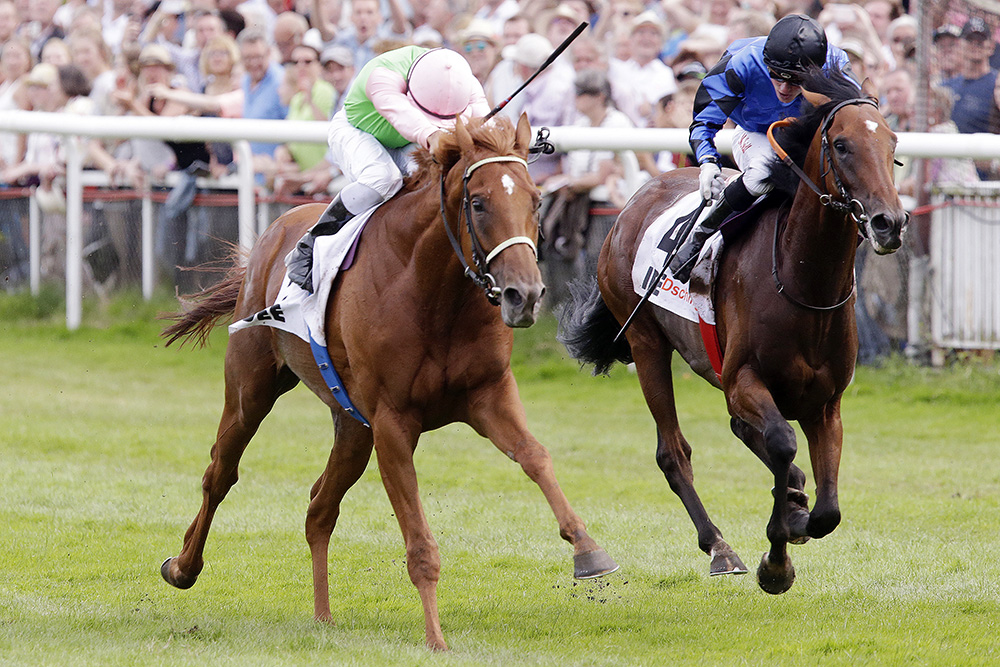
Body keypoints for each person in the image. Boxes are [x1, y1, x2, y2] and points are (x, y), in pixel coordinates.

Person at [285, 46, 490, 293]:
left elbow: (484, 128)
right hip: (358, 130)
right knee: (382, 179)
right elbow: (403, 115)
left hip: (406, 140)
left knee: (433, 184)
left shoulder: (464, 82)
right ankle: (310, 244)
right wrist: (432, 133)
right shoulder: (382, 74)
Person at [669, 13, 852, 282]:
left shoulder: (837, 66)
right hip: (754, 132)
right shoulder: (739, 62)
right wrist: (707, 162)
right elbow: (703, 122)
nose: (784, 87)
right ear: (766, 64)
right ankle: (700, 237)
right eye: (777, 76)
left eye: (797, 80)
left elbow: (860, 121)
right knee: (764, 171)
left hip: (808, 137)